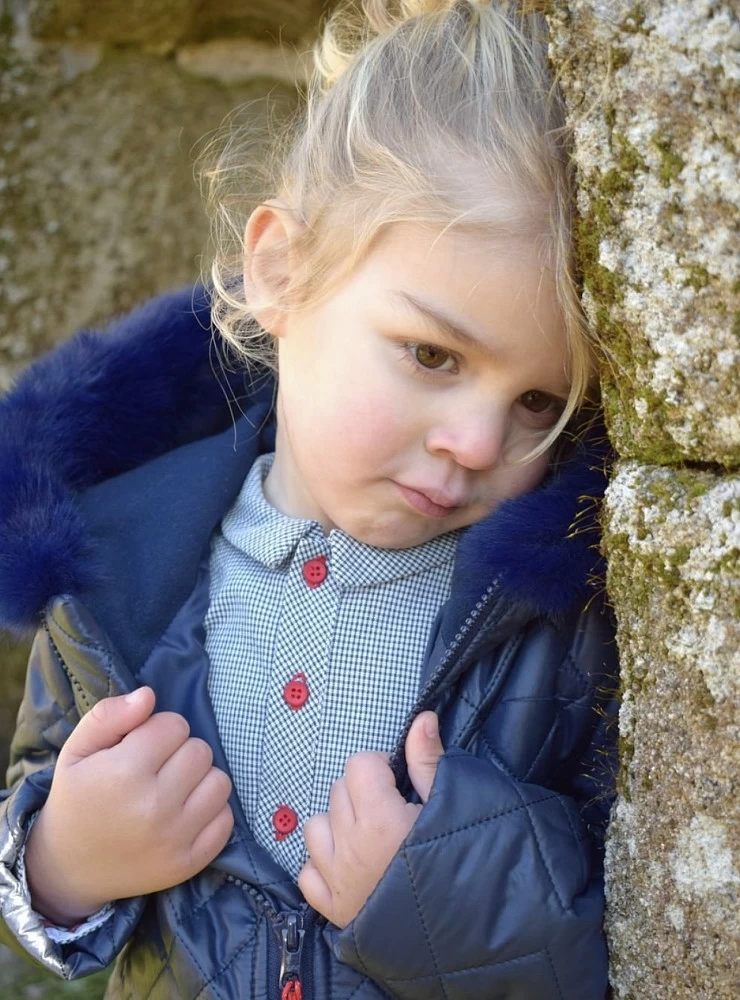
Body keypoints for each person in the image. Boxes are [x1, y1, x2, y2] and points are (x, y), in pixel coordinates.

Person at [0, 2, 618, 998]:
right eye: (430, 353)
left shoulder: (552, 626)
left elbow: (621, 940)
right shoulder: (116, 562)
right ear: (281, 270)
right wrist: (66, 860)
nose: (475, 441)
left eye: (537, 401)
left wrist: (438, 890)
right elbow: (37, 798)